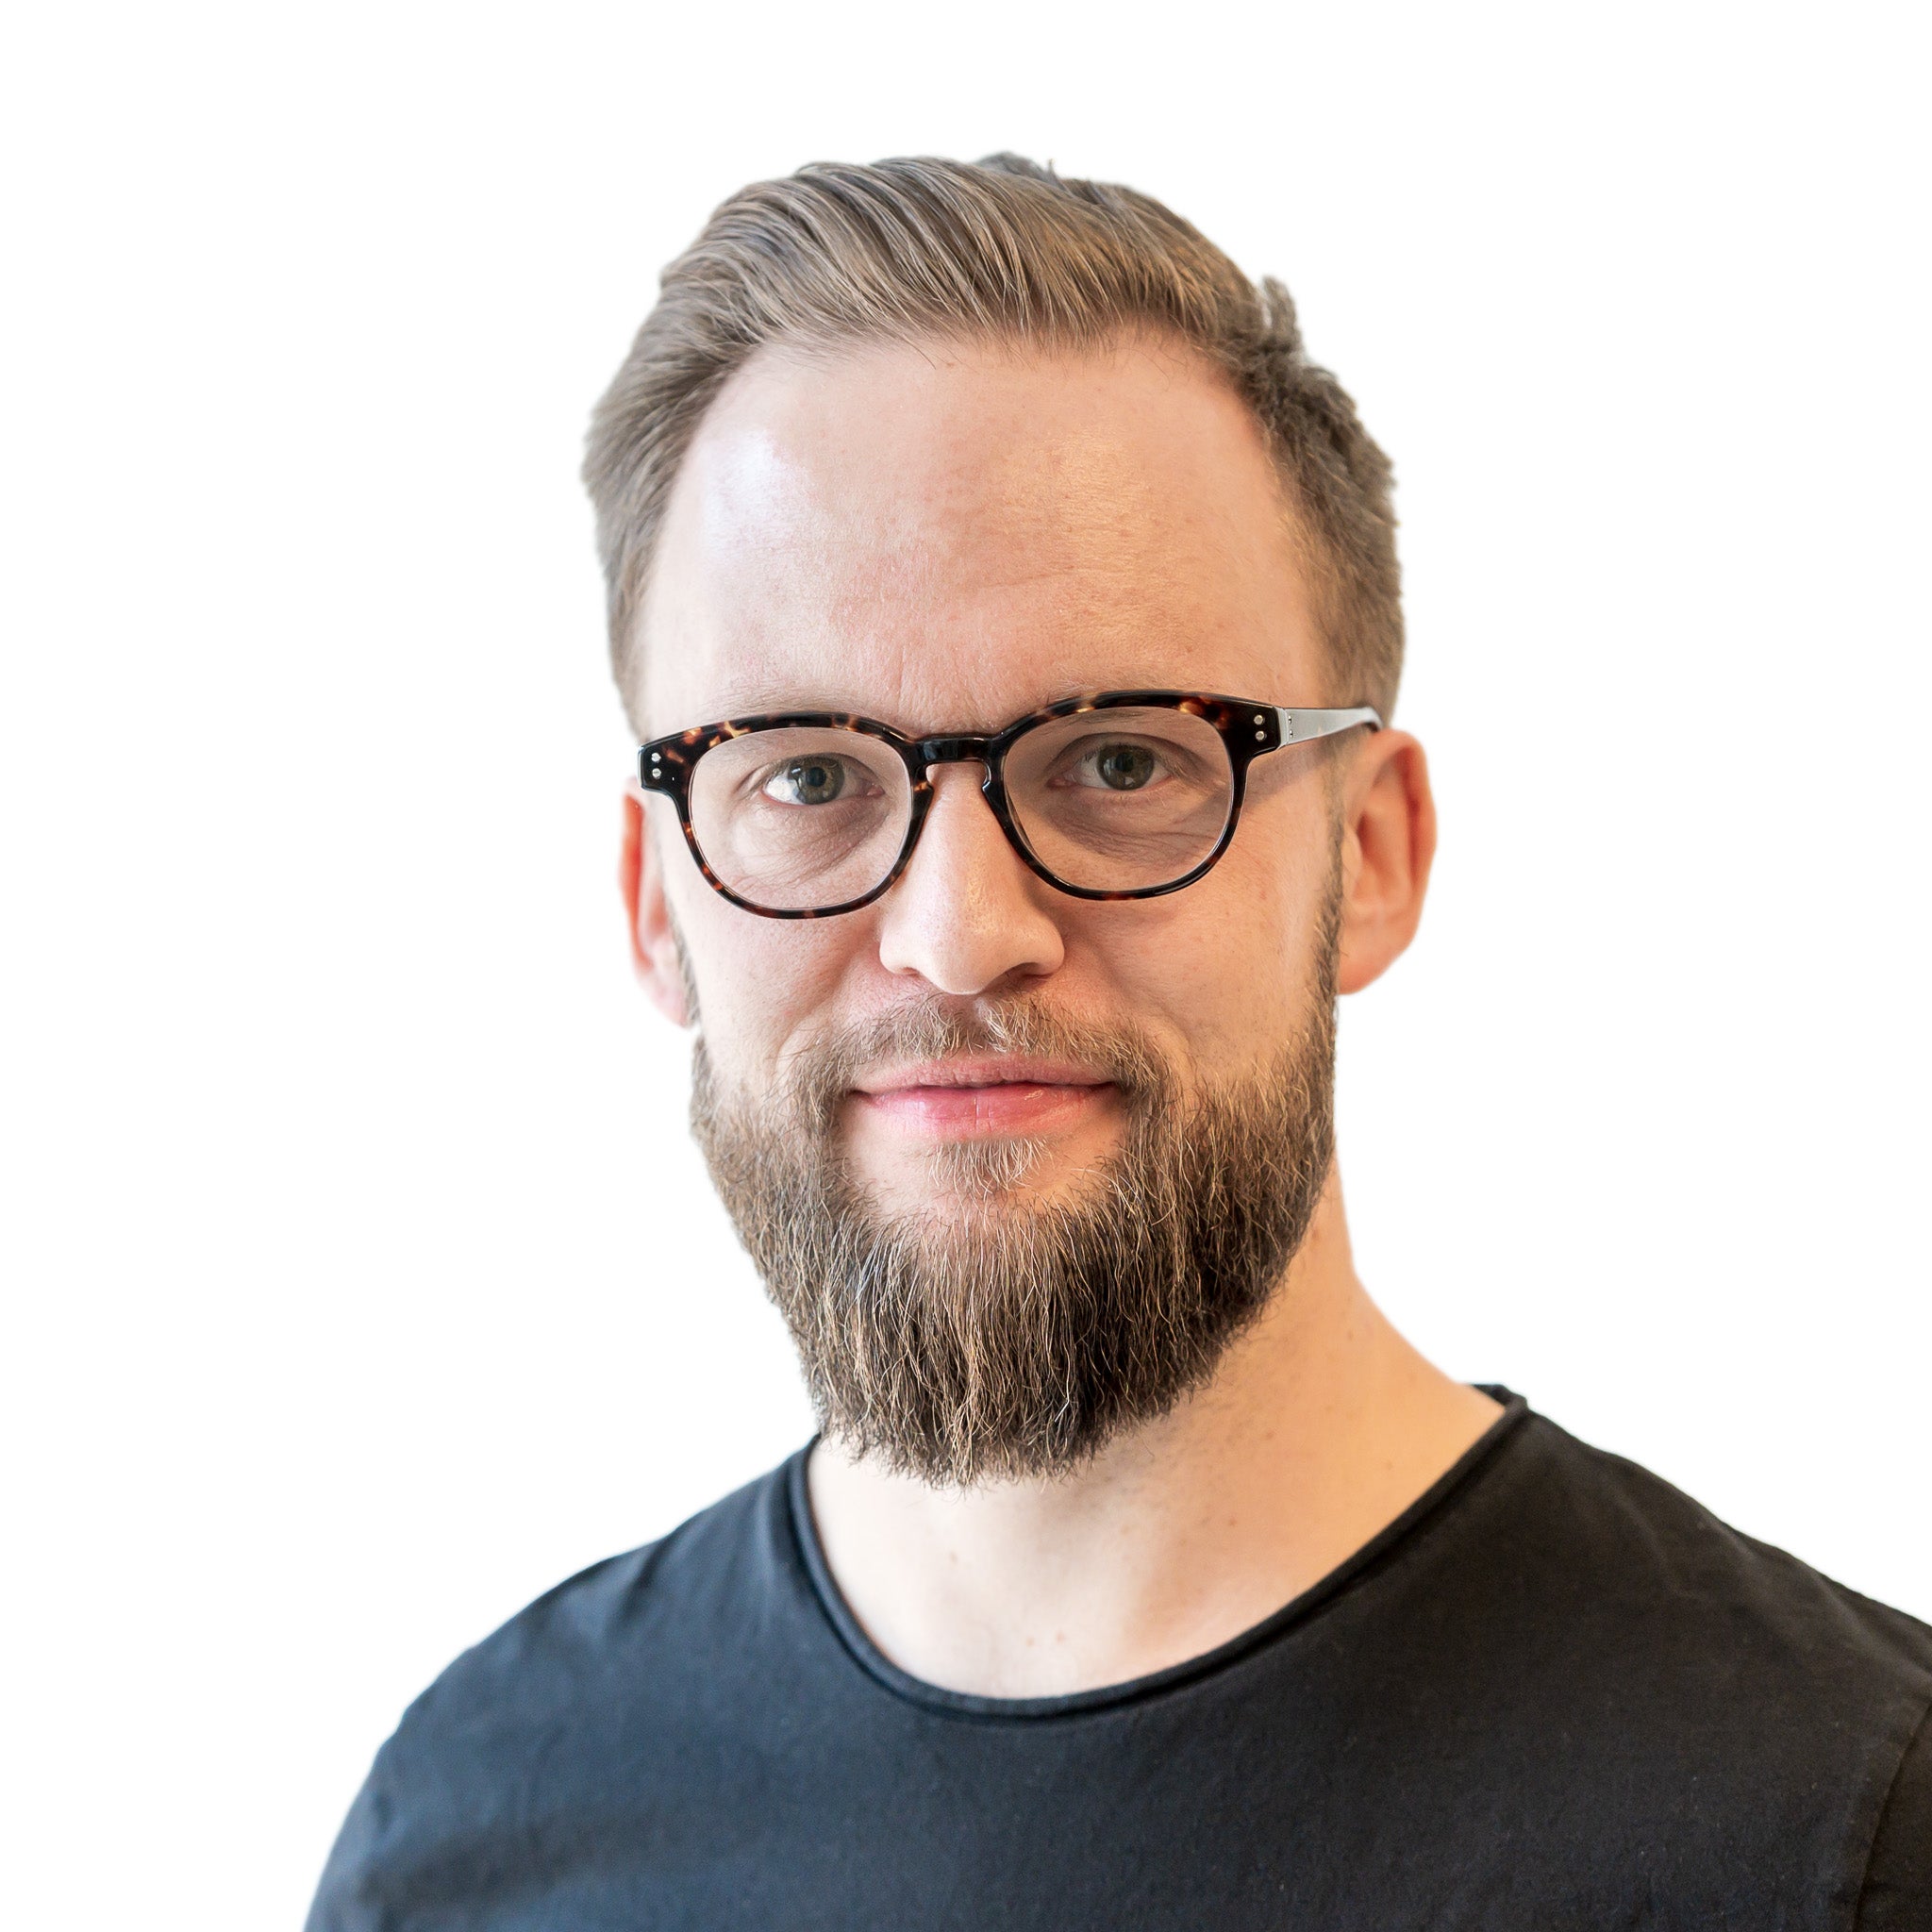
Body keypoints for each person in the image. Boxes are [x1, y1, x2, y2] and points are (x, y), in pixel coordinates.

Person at [308, 155, 1931, 1929]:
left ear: (1374, 854)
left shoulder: (1846, 1832)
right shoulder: (471, 1836)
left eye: (1123, 760)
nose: (958, 935)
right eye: (808, 778)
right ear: (655, 904)